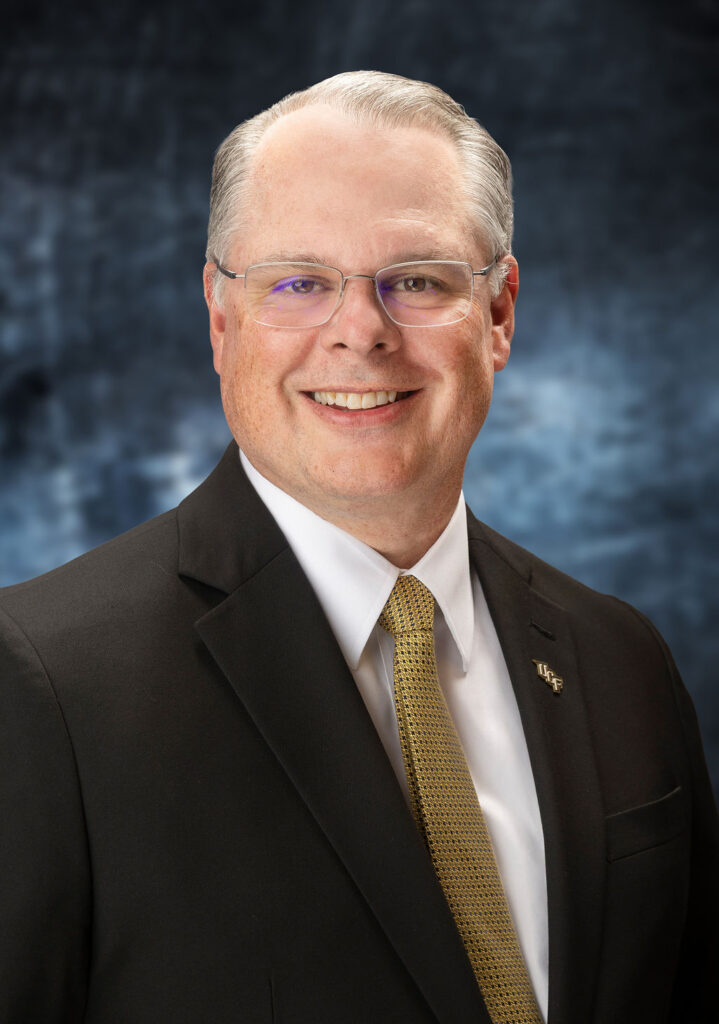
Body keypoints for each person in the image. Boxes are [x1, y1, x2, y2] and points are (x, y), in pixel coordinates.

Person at [0, 71, 716, 1024]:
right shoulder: (42, 683)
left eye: (416, 281)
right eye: (298, 282)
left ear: (499, 314)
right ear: (222, 320)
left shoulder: (617, 657)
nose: (359, 335)